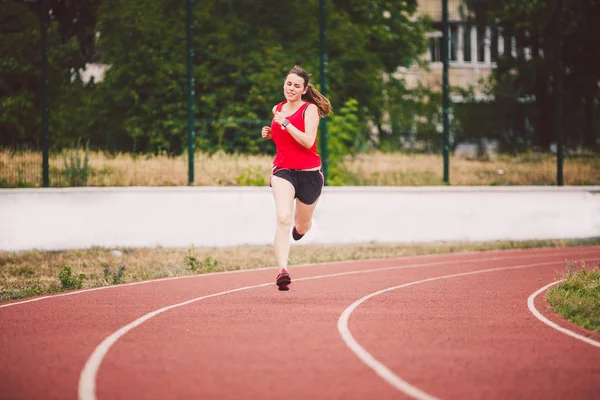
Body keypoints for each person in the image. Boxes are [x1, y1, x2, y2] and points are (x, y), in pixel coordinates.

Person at [261, 65, 332, 291]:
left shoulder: (309, 110)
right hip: (283, 170)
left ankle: (301, 230)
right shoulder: (278, 108)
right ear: (284, 84)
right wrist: (271, 132)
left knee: (302, 224)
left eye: (296, 86)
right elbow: (285, 139)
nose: (291, 88)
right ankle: (283, 271)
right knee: (283, 218)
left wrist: (285, 124)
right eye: (288, 84)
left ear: (303, 89)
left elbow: (308, 142)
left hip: (310, 174)